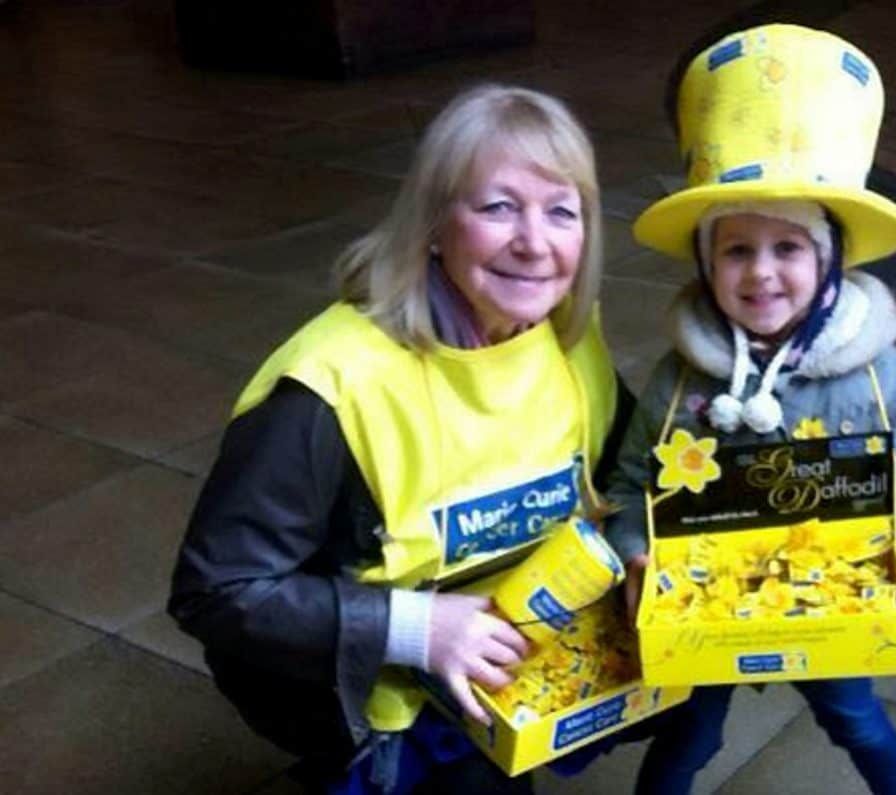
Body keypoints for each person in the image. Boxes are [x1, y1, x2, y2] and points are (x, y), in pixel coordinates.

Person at [168, 83, 634, 794]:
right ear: (434, 223)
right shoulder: (329, 385)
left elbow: (632, 469)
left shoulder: (570, 340)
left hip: (509, 676)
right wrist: (417, 627)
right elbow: (218, 589)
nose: (534, 242)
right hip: (375, 704)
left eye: (561, 211)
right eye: (498, 206)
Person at [602, 25, 896, 795]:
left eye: (788, 249)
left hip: (832, 603)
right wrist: (636, 551)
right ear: (707, 264)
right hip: (706, 610)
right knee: (688, 732)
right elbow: (632, 479)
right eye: (736, 251)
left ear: (828, 261)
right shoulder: (678, 379)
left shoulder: (876, 370)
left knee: (857, 721)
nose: (762, 273)